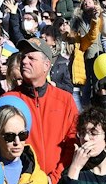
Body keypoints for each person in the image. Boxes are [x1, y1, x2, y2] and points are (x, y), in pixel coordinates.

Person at [13, 46, 79, 174]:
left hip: (59, 180)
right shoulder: (9, 100)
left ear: (46, 65)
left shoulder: (65, 100)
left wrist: (56, 177)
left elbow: (73, 141)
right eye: (23, 57)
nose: (24, 61)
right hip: (22, 181)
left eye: (31, 58)